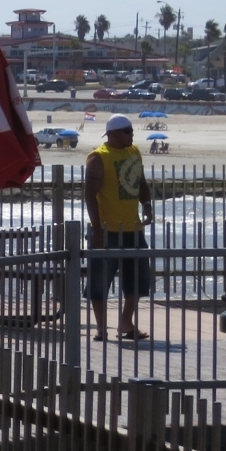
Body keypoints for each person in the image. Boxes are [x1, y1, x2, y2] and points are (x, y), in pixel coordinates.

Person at [84, 113, 154, 341]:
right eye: (127, 131)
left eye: (132, 130)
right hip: (107, 230)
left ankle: (126, 322)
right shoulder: (98, 158)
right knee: (99, 282)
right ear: (112, 134)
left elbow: (141, 182)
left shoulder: (134, 152)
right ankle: (101, 327)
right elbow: (89, 195)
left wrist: (147, 205)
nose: (131, 135)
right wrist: (97, 230)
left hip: (133, 228)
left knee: (139, 280)